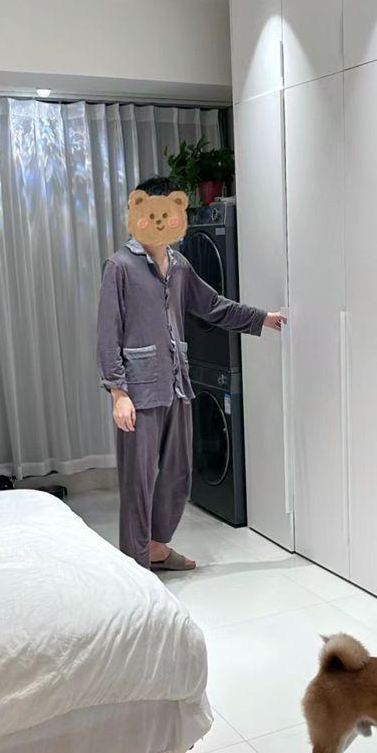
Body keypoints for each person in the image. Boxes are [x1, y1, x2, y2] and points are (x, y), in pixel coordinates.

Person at [97, 176, 286, 570]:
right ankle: (136, 565)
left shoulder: (179, 265)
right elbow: (107, 332)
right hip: (139, 390)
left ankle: (157, 547)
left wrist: (261, 319)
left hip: (176, 384)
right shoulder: (120, 266)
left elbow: (212, 306)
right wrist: (118, 392)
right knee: (138, 480)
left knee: (179, 473)